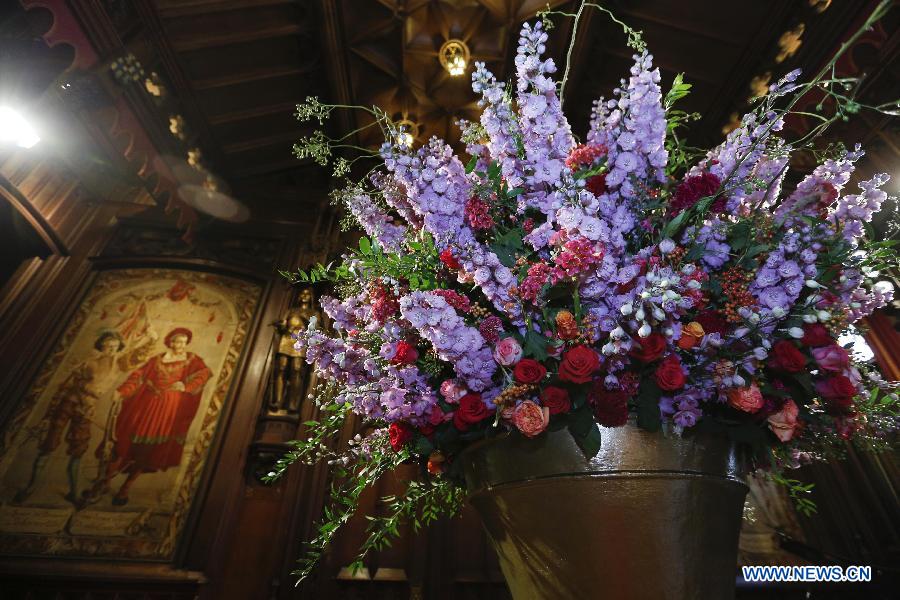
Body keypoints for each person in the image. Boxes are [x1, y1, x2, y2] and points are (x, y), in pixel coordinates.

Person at [83, 327, 211, 506]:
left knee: (147, 450)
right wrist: (121, 391)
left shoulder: (192, 360)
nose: (179, 345)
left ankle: (126, 488)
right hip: (145, 406)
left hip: (168, 410)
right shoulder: (157, 359)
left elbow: (204, 374)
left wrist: (185, 385)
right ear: (170, 342)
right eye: (176, 341)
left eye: (183, 341)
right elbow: (137, 376)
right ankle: (104, 482)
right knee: (123, 443)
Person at [13, 331, 125, 505]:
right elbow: (70, 384)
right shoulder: (89, 362)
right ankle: (30, 487)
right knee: (49, 445)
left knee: (79, 449)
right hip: (69, 404)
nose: (110, 349)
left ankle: (74, 493)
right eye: (107, 346)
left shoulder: (117, 366)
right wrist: (85, 391)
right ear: (101, 345)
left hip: (88, 410)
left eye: (114, 347)